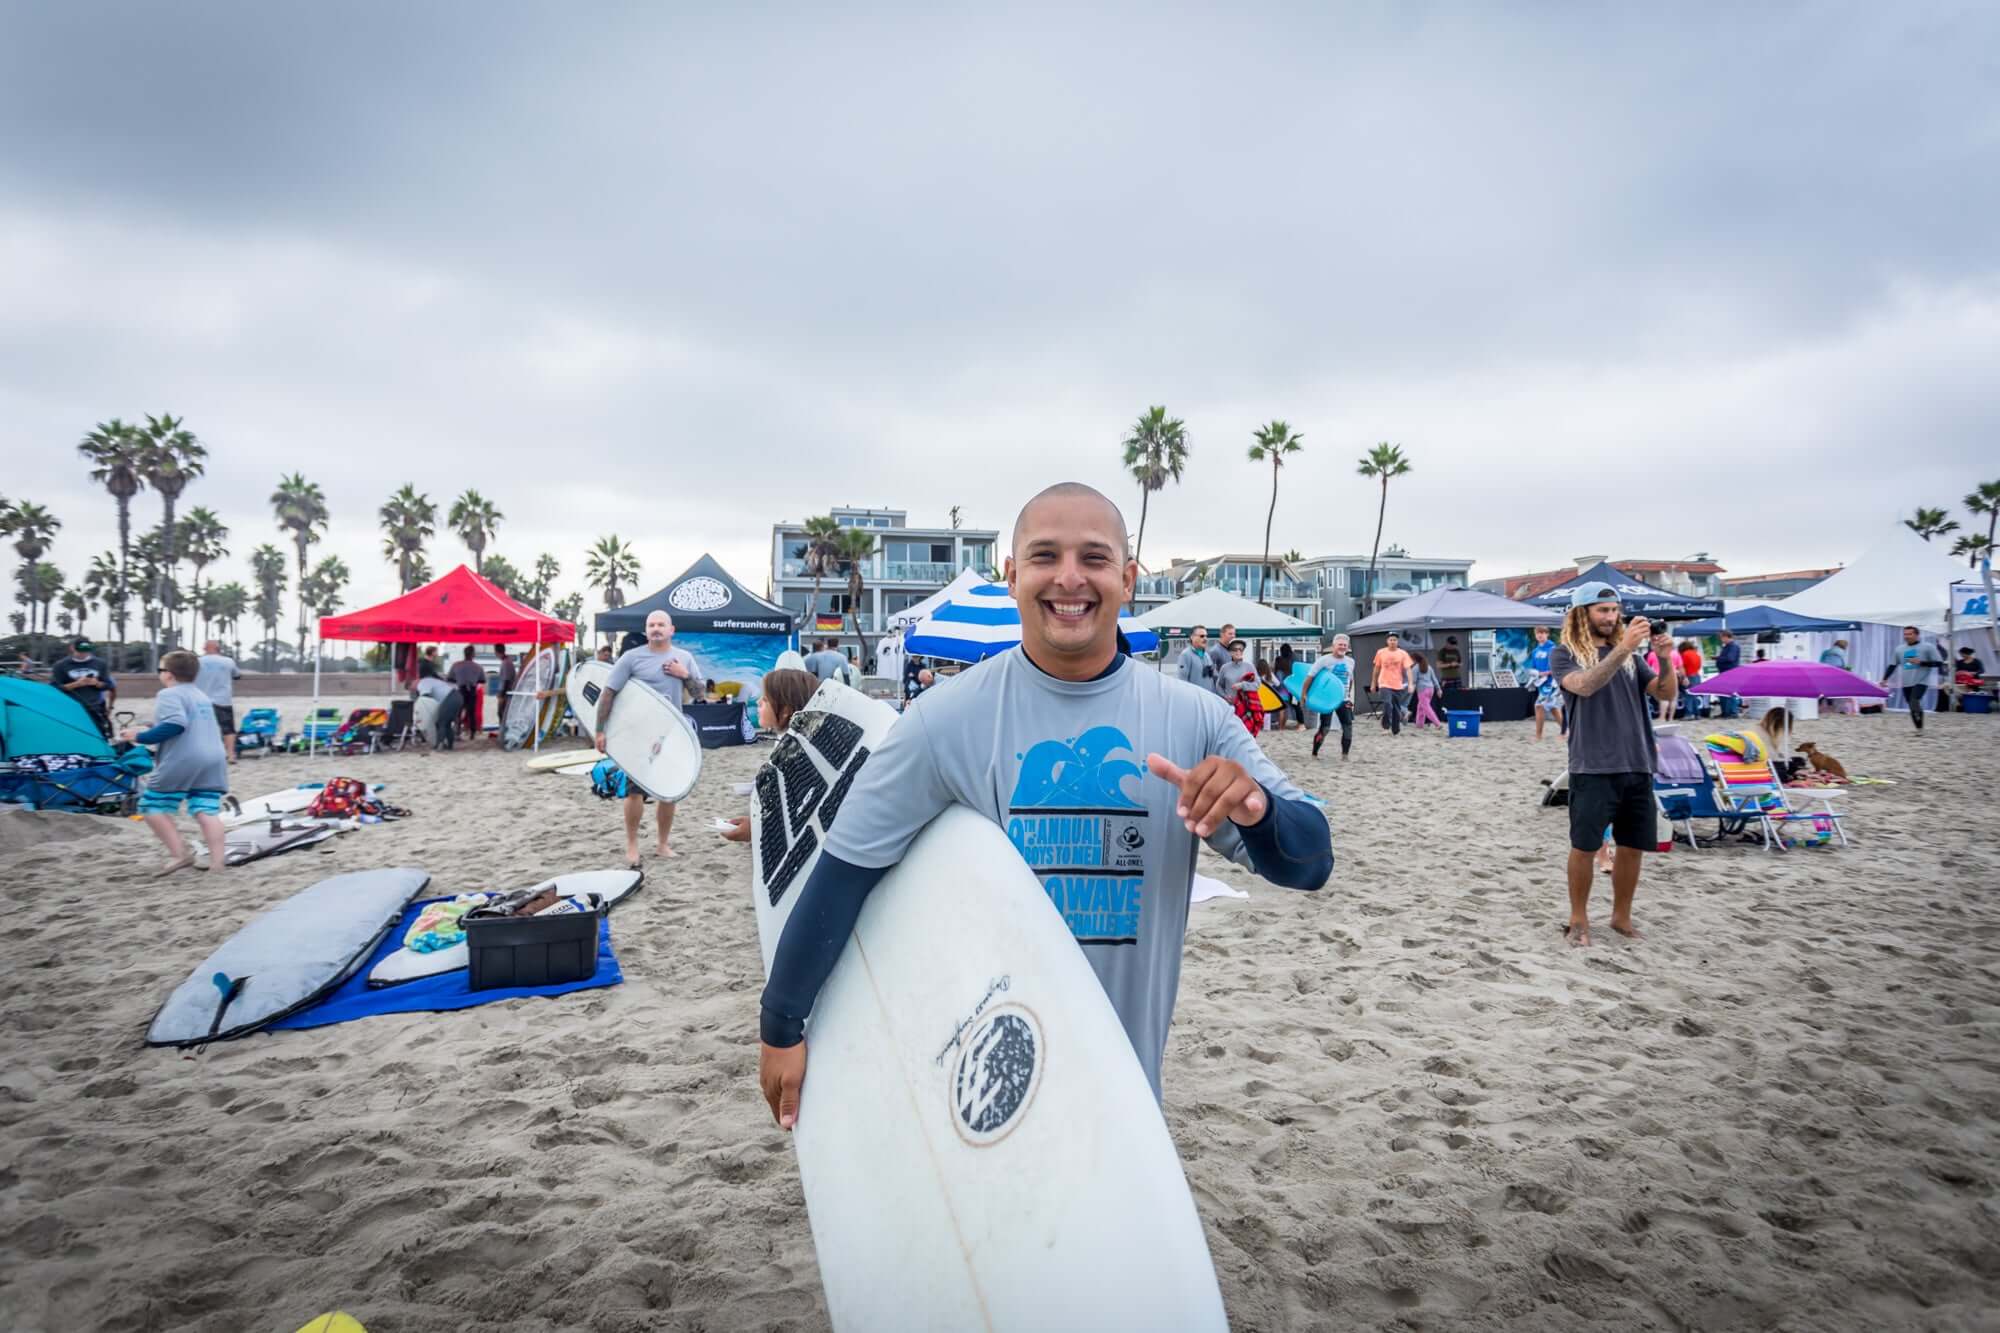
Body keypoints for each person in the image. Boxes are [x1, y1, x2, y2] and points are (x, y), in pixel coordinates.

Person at [757, 483, 1331, 1127]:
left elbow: (1309, 863)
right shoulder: (943, 721)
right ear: (1012, 576)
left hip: (1125, 1090)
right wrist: (781, 1022)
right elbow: (845, 873)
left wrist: (1257, 812)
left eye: (1093, 557)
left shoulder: (1195, 721)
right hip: (976, 1090)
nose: (1068, 578)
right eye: (1044, 556)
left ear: (1128, 578)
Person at [1550, 582, 1678, 947]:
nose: (1611, 616)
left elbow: (1667, 694)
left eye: (1614, 610)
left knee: (1633, 845)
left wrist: (1665, 658)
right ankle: (1578, 919)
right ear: (1582, 614)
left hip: (1637, 761)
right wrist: (1624, 648)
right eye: (1602, 610)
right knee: (1585, 845)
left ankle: (1621, 918)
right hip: (1593, 764)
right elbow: (1585, 686)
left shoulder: (1633, 658)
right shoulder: (1565, 654)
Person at [596, 610, 703, 864]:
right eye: (651, 625)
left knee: (669, 792)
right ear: (646, 630)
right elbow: (608, 693)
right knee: (634, 792)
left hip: (671, 735)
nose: (656, 628)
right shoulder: (631, 658)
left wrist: (683, 675)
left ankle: (662, 844)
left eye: (661, 625)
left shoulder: (684, 658)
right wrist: (600, 730)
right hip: (638, 735)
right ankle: (632, 845)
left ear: (671, 629)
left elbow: (700, 693)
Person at [119, 650, 228, 874]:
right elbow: (189, 723)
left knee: (150, 806)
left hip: (184, 758)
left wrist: (139, 737)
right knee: (206, 810)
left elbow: (176, 724)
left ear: (168, 674)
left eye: (160, 670)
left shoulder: (168, 694)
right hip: (214, 757)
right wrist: (150, 727)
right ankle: (218, 864)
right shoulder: (201, 696)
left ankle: (180, 854)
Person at [720, 667, 821, 843]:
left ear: (785, 711)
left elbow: (798, 818)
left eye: (765, 700)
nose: (758, 702)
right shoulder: (797, 743)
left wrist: (756, 829)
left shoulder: (797, 755)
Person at [1880, 625, 1947, 732]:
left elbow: (1939, 663)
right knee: (1912, 705)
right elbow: (1893, 665)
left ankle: (1920, 727)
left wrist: (1922, 663)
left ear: (1917, 635)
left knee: (1914, 701)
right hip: (1906, 682)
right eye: (1905, 634)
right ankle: (1919, 727)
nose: (1907, 636)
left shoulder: (1928, 647)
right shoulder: (1900, 649)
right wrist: (1885, 679)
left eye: (1910, 634)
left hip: (1922, 681)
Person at [51, 637, 116, 739]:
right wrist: (76, 684)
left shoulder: (100, 664)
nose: (83, 654)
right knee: (72, 736)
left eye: (87, 651)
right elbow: (54, 688)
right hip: (70, 708)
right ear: (72, 648)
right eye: (80, 651)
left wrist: (96, 683)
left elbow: (109, 685)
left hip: (94, 707)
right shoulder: (60, 665)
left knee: (99, 736)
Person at [1305, 636, 1356, 759]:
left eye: (1345, 645)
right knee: (1325, 728)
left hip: (1343, 699)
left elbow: (1350, 679)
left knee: (1347, 727)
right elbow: (1310, 677)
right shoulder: (1324, 660)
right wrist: (1304, 694)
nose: (1342, 647)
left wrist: (1349, 696)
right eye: (1340, 644)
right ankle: (1314, 753)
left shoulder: (1350, 661)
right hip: (1327, 700)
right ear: (1334, 646)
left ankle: (1345, 755)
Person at [193, 640, 242, 764]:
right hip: (222, 700)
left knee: (200, 729)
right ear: (218, 648)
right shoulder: (228, 661)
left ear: (205, 648)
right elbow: (237, 675)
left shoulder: (197, 662)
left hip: (200, 700)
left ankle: (203, 755)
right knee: (228, 729)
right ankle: (230, 755)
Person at [1371, 633, 1414, 736]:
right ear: (1387, 641)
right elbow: (1376, 669)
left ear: (1397, 641)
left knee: (1396, 707)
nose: (1392, 642)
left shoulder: (1403, 653)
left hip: (1397, 684)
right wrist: (1373, 683)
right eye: (1391, 640)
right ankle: (1386, 727)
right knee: (1387, 704)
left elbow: (1408, 669)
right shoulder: (1381, 652)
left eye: (1394, 640)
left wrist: (1410, 684)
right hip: (1384, 683)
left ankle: (1396, 729)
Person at [1218, 639, 1262, 736]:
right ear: (1230, 652)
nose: (1238, 652)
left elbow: (1257, 684)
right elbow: (1219, 685)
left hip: (1246, 707)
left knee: (1246, 733)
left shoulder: (1249, 666)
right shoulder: (1224, 668)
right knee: (1231, 734)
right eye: (1235, 649)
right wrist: (1224, 696)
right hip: (1229, 707)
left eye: (1241, 649)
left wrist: (1242, 685)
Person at [415, 660, 463, 750]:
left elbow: (425, 697)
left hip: (450, 698)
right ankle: (449, 745)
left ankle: (439, 744)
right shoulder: (433, 680)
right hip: (457, 696)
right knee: (447, 722)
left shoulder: (424, 682)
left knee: (441, 722)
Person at [1527, 624, 1562, 741]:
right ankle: (1566, 730)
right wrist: (1534, 674)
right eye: (1538, 633)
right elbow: (1532, 667)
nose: (1540, 635)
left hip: (1551, 683)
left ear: (1547, 634)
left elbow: (1557, 667)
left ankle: (1538, 735)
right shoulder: (1535, 651)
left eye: (1542, 633)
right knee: (1552, 707)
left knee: (1538, 706)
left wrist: (1545, 673)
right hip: (1540, 683)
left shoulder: (1553, 649)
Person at [448, 646, 485, 739]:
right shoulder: (478, 667)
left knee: (459, 712)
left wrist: (459, 679)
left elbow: (450, 678)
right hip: (472, 690)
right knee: (472, 712)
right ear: (473, 654)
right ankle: (472, 733)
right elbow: (482, 680)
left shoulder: (456, 665)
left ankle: (457, 731)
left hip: (461, 689)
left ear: (464, 653)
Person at [1176, 627, 1216, 691]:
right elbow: (1182, 681)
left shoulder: (1206, 655)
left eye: (1206, 636)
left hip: (1208, 697)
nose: (1205, 638)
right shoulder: (1185, 655)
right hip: (1195, 698)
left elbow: (1211, 679)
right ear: (1192, 637)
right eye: (1202, 636)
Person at [1410, 652, 1443, 729]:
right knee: (1420, 707)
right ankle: (1419, 725)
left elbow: (1414, 681)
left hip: (1422, 690)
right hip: (1431, 689)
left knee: (1426, 708)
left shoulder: (1415, 668)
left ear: (1414, 660)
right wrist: (1438, 689)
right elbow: (1434, 679)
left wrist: (1410, 688)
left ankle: (1437, 724)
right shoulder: (1429, 667)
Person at [492, 647, 518, 741]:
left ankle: (503, 732)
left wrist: (502, 694)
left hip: (506, 692)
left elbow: (506, 680)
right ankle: (503, 731)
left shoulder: (506, 663)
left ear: (497, 652)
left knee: (502, 713)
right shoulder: (507, 662)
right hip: (505, 691)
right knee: (502, 713)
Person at [1714, 631, 1741, 717]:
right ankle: (1725, 712)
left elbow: (1730, 658)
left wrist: (1718, 658)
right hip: (1724, 672)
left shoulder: (1733, 647)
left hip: (1730, 673)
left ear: (1726, 637)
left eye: (1721, 637)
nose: (1721, 639)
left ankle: (1732, 712)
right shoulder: (1727, 647)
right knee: (1723, 693)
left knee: (1730, 693)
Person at [1677, 639, 1705, 719]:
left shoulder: (1684, 654)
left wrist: (1683, 677)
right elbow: (1699, 666)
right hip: (1697, 675)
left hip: (1689, 676)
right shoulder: (1696, 654)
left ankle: (1688, 714)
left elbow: (1682, 666)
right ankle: (1697, 714)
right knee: (1694, 696)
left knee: (1688, 695)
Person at [1207, 623, 1237, 696]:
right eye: (1230, 634)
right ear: (1222, 635)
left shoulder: (1233, 651)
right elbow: (1210, 672)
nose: (1233, 636)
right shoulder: (1215, 651)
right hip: (1220, 694)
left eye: (1234, 634)